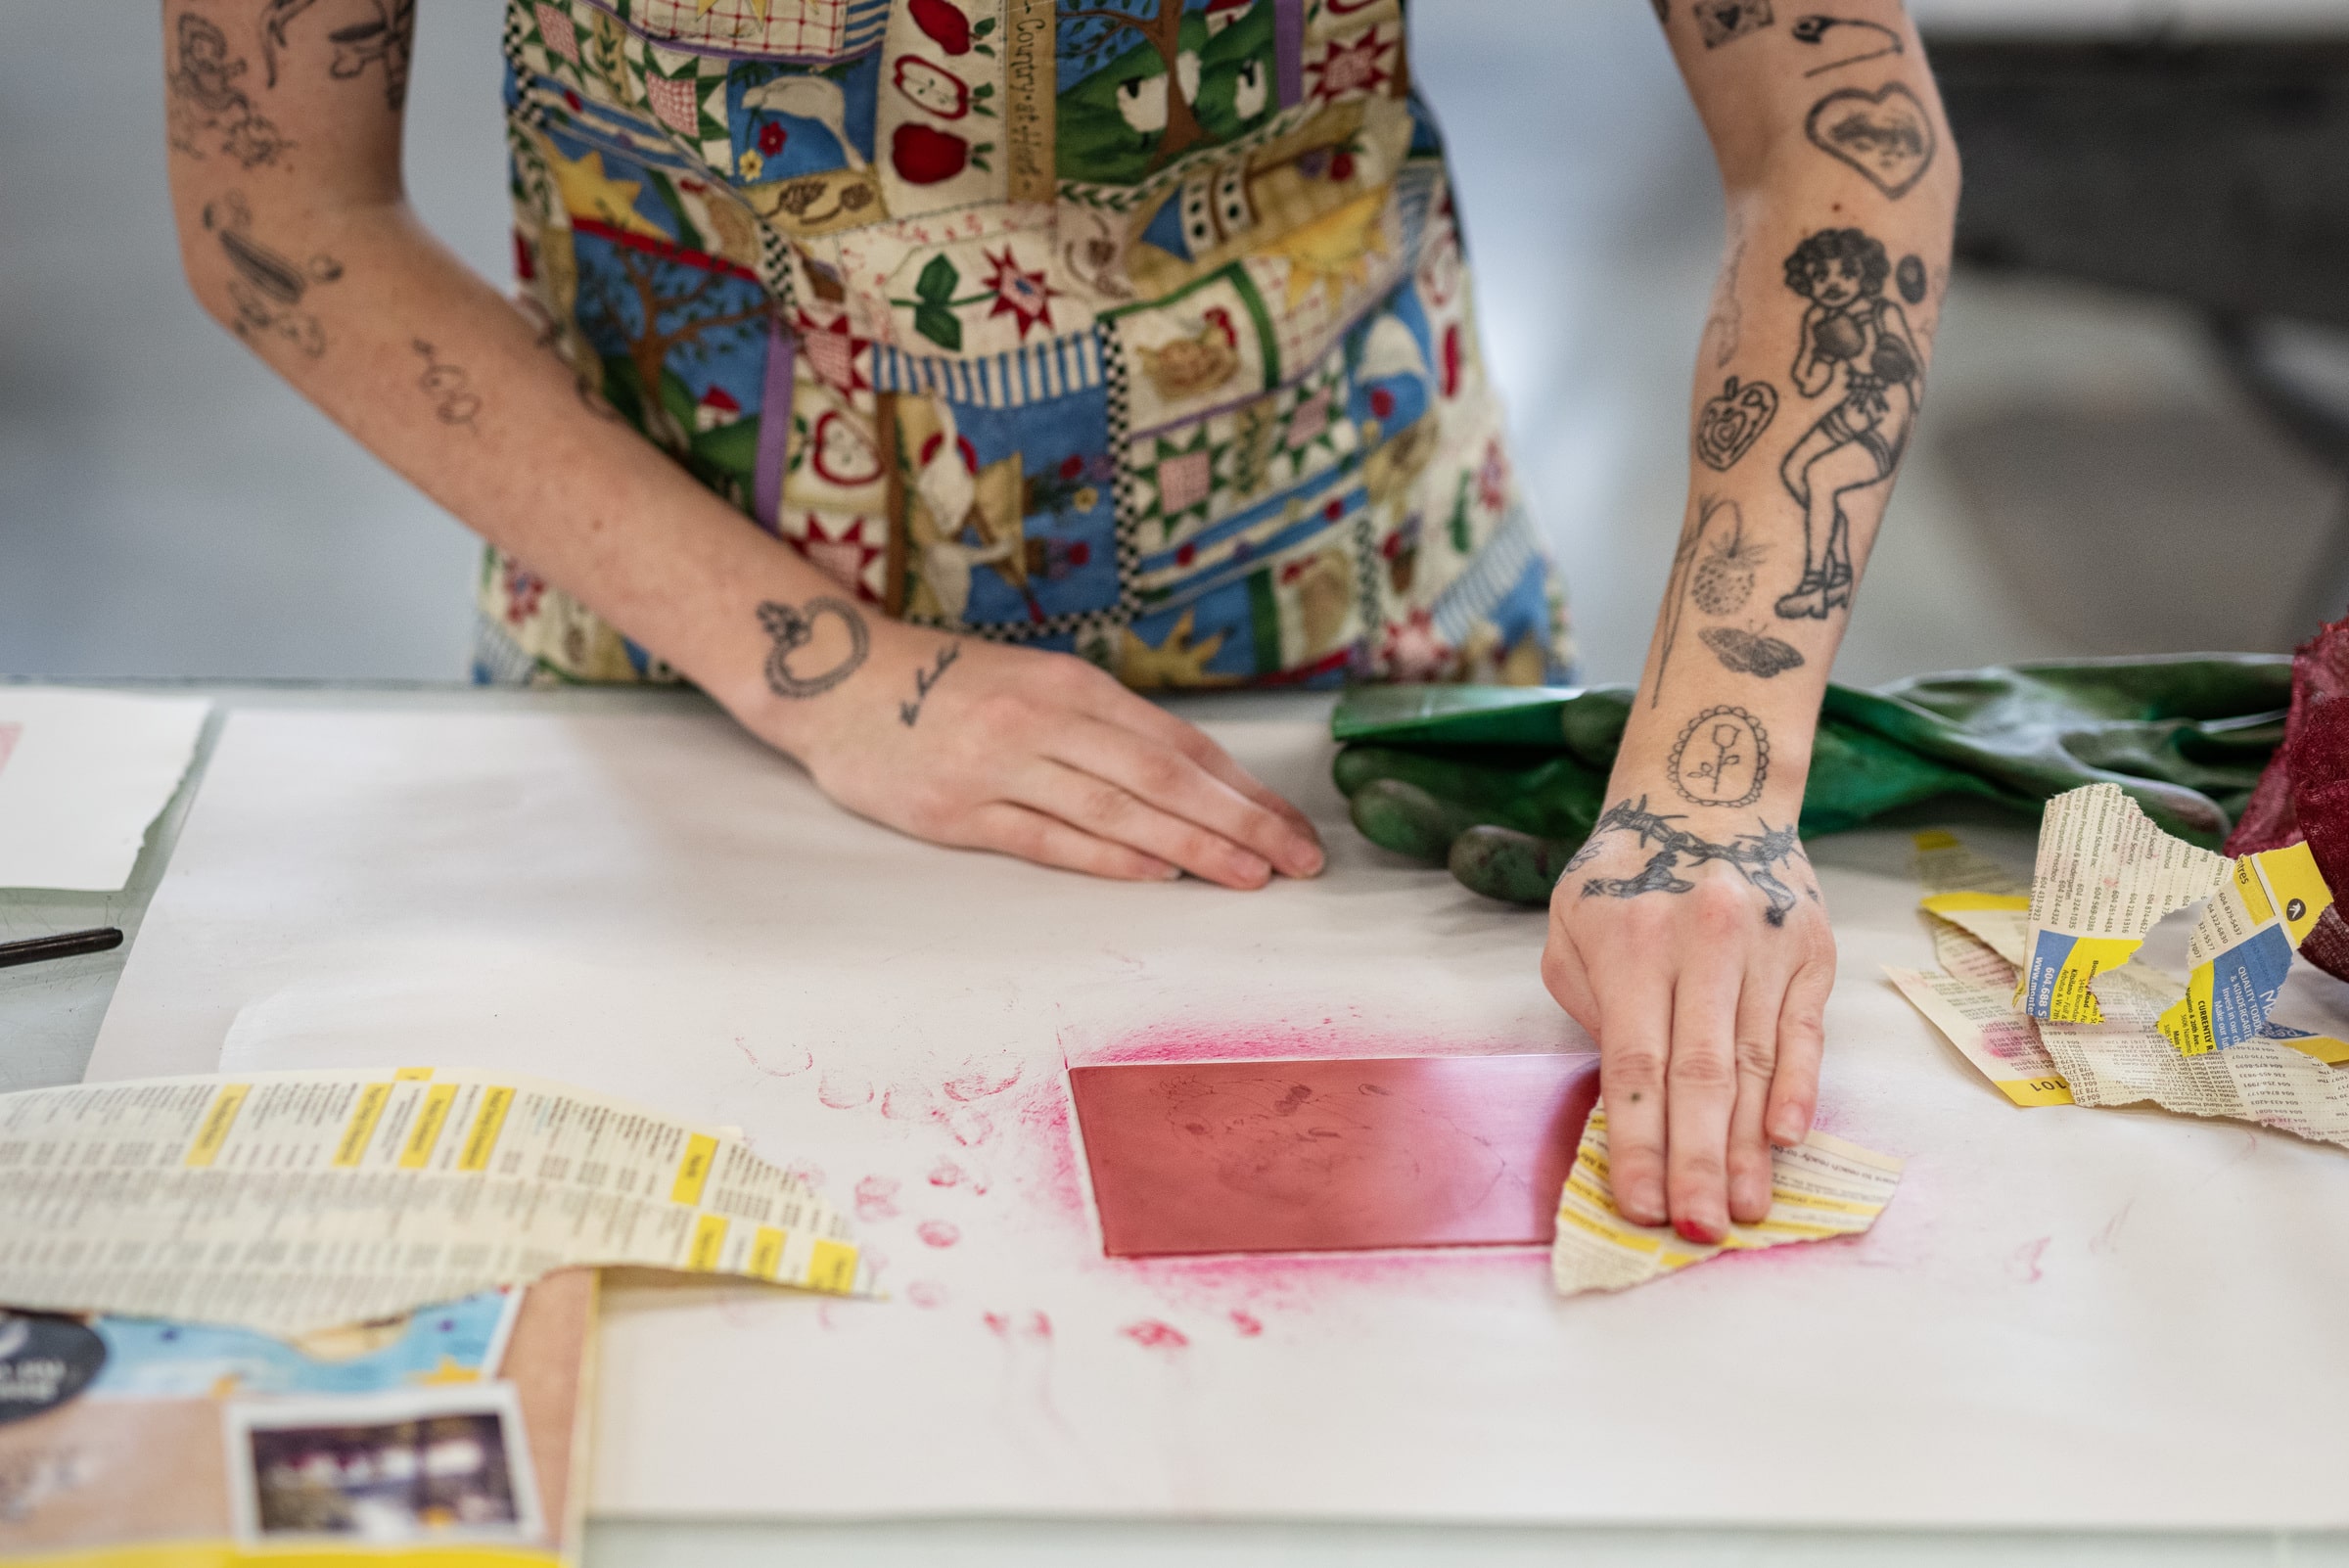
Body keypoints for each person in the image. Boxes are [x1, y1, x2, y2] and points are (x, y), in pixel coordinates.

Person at [162, 0, 1958, 1245]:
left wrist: (1712, 777)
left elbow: (1838, 141)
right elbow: (276, 206)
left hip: (1358, 672)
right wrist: (832, 674)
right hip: (702, 682)